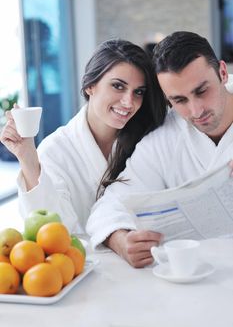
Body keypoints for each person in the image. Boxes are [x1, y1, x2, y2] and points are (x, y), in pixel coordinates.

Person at [86, 31, 233, 268]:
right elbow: (109, 206)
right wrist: (121, 242)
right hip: (195, 277)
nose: (196, 111)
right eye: (179, 100)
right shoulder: (164, 139)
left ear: (223, 73)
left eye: (201, 91)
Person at [0, 39, 167, 234]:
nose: (129, 102)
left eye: (138, 92)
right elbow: (52, 229)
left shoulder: (147, 139)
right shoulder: (55, 150)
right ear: (90, 86)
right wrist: (28, 158)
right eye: (118, 86)